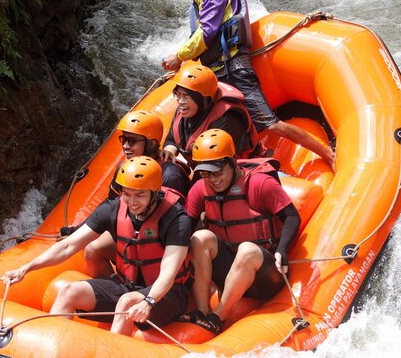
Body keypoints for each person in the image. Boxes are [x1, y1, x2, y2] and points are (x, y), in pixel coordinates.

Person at [162, 0, 335, 168]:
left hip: (234, 68)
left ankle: (328, 154)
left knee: (270, 124)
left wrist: (180, 56)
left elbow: (206, 33)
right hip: (217, 71)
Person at [3, 156, 193, 334]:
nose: (132, 202)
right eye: (127, 194)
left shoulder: (176, 219)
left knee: (126, 302)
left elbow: (169, 274)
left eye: (139, 195)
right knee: (69, 291)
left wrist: (149, 301)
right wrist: (26, 268)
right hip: (128, 286)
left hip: (167, 294)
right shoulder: (112, 209)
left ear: (154, 192)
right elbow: (68, 246)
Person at [181, 129, 301, 335]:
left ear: (233, 161)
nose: (213, 179)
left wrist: (282, 249)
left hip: (264, 274)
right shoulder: (200, 189)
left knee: (246, 250)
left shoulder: (260, 183)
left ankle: (217, 317)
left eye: (217, 171)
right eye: (205, 173)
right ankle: (201, 311)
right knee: (200, 238)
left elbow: (292, 216)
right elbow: (184, 229)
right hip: (229, 267)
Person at [84, 110, 190, 278]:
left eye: (132, 141)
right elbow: (109, 204)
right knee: (93, 249)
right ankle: (113, 289)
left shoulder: (170, 176)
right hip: (134, 233)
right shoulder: (126, 168)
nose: (126, 146)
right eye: (123, 140)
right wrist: (77, 230)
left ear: (152, 144)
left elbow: (175, 225)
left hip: (161, 241)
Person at [161, 63, 262, 167]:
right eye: (177, 94)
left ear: (202, 99)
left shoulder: (226, 119)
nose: (180, 101)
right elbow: (171, 139)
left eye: (186, 96)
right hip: (203, 166)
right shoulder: (183, 110)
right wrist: (170, 150)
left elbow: (218, 165)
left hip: (235, 168)